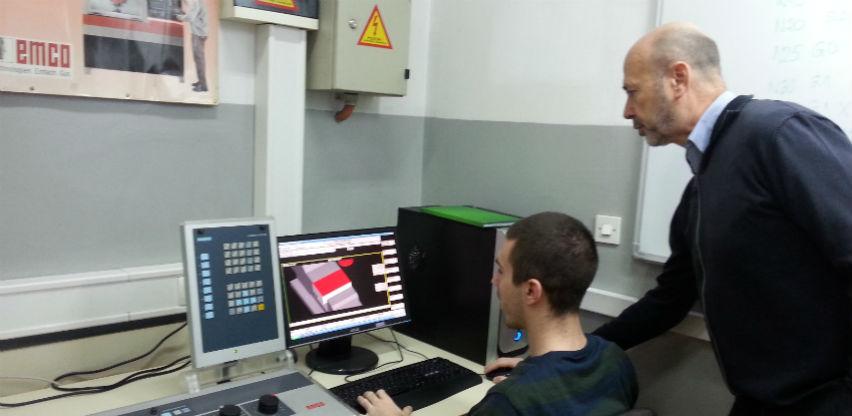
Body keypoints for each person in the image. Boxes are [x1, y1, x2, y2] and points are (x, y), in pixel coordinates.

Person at [593, 22, 852, 415]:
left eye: (632, 91)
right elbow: (671, 298)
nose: (627, 110)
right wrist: (578, 351)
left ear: (678, 79)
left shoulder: (778, 133)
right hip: (759, 401)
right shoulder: (701, 183)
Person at [357, 212, 638, 416]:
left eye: (501, 271)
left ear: (531, 291)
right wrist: (532, 372)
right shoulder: (615, 361)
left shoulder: (510, 402)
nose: (494, 281)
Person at [177, 0, 208, 92]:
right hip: (199, 33)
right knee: (198, 59)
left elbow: (190, 17)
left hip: (198, 34)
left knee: (199, 60)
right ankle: (201, 81)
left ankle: (203, 86)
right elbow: (193, 15)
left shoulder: (197, 2)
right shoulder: (199, 2)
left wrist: (179, 17)